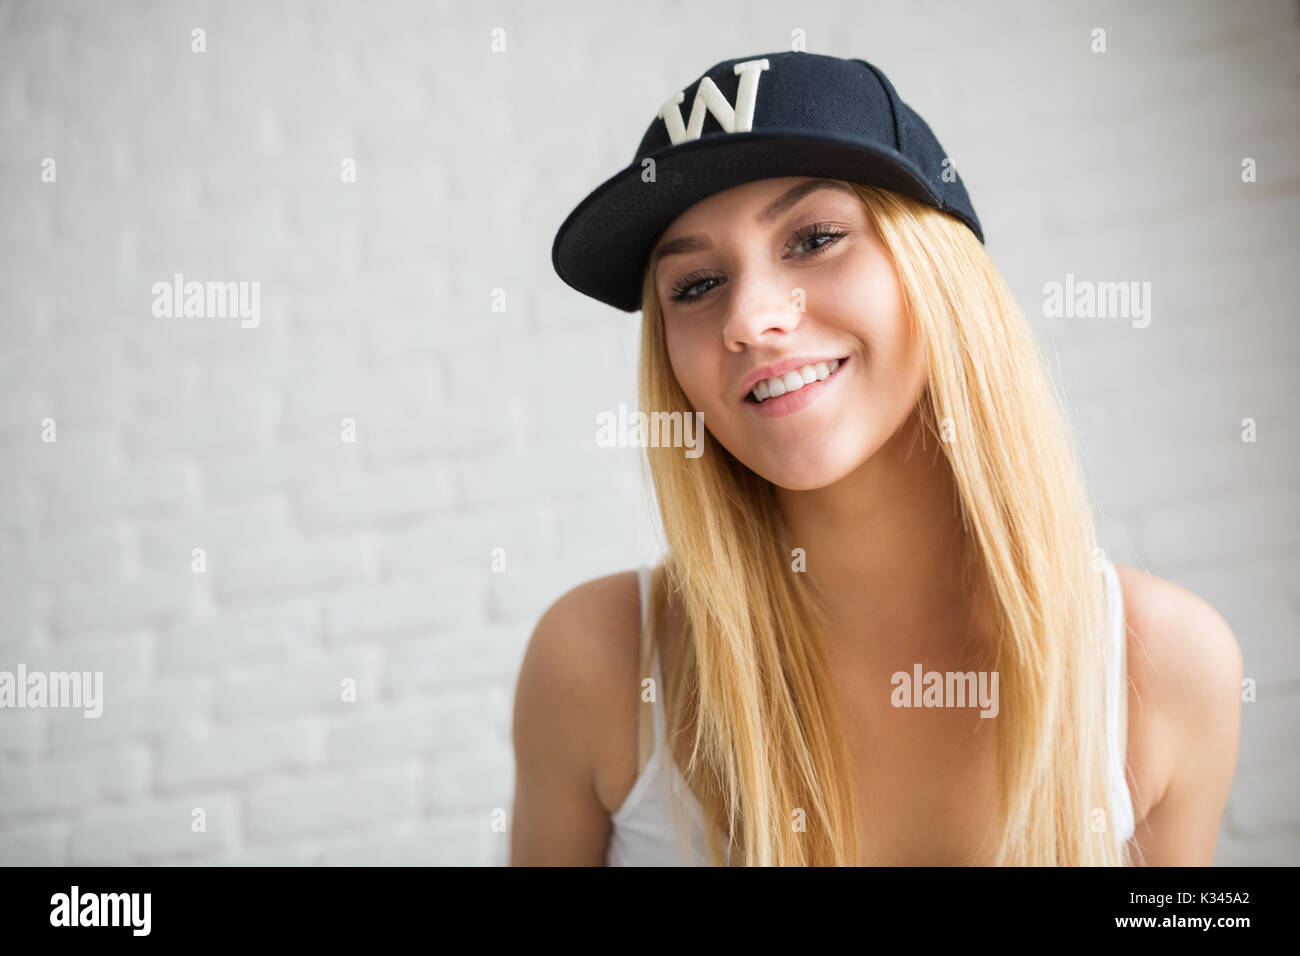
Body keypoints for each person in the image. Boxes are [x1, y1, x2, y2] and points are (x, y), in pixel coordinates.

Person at [511, 50, 1242, 866]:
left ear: (942, 276)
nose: (750, 318)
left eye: (815, 238)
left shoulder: (1163, 668)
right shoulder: (595, 663)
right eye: (694, 285)